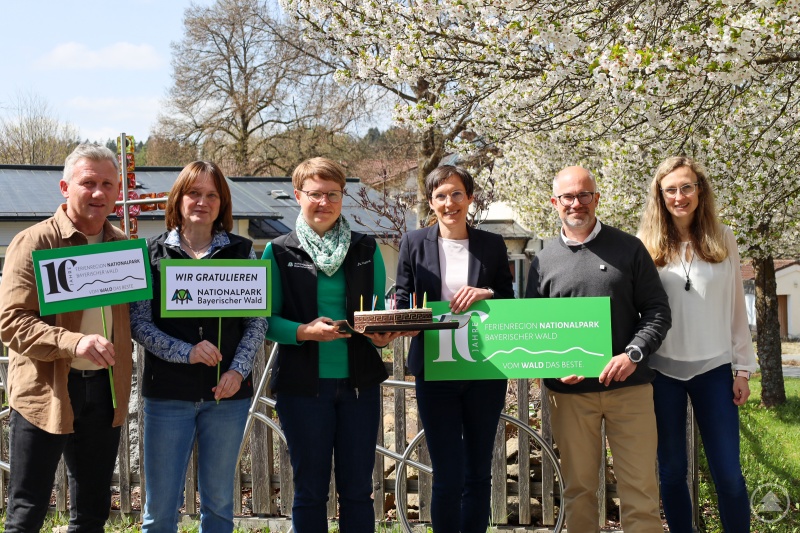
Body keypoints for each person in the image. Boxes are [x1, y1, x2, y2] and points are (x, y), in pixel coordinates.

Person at [525, 166, 671, 533]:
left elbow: (657, 311)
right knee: (578, 492)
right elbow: (534, 329)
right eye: (568, 197)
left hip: (630, 390)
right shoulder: (542, 261)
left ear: (597, 199)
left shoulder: (629, 248)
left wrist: (633, 353)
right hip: (570, 395)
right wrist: (553, 366)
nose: (577, 203)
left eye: (584, 195)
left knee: (640, 491)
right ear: (555, 203)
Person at [0, 144, 133, 532]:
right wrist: (72, 342)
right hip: (47, 390)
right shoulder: (35, 242)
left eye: (107, 184)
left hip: (105, 390)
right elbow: (10, 321)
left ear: (117, 191)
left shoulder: (122, 245)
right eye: (87, 182)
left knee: (92, 513)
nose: (97, 192)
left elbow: (133, 318)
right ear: (64, 187)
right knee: (27, 510)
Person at [263, 157, 400, 533]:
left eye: (332, 194)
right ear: (297, 196)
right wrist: (304, 332)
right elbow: (265, 322)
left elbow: (373, 312)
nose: (323, 202)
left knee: (358, 491)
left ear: (343, 197)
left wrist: (381, 335)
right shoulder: (278, 251)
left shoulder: (365, 248)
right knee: (309, 492)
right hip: (303, 389)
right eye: (315, 194)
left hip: (359, 387)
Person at [130, 161, 267, 533]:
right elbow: (139, 323)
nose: (202, 202)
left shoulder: (242, 251)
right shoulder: (152, 254)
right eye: (194, 193)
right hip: (167, 395)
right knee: (159, 510)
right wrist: (185, 351)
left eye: (212, 195)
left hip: (226, 397)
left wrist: (239, 371)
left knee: (220, 505)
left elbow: (257, 321)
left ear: (222, 203)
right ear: (178, 198)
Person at [638, 156, 757, 533]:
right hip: (663, 372)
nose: (679, 196)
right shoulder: (644, 244)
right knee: (671, 471)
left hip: (715, 371)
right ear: (660, 195)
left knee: (728, 473)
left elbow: (737, 307)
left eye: (686, 187)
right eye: (670, 189)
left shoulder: (723, 239)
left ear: (700, 190)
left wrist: (742, 368)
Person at [395, 165, 514, 533]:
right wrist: (402, 321)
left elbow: (509, 300)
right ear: (431, 202)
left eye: (457, 194)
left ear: (470, 198)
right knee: (447, 474)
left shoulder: (491, 245)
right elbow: (401, 297)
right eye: (441, 196)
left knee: (479, 473)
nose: (450, 203)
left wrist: (487, 292)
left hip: (483, 367)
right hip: (435, 368)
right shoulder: (413, 243)